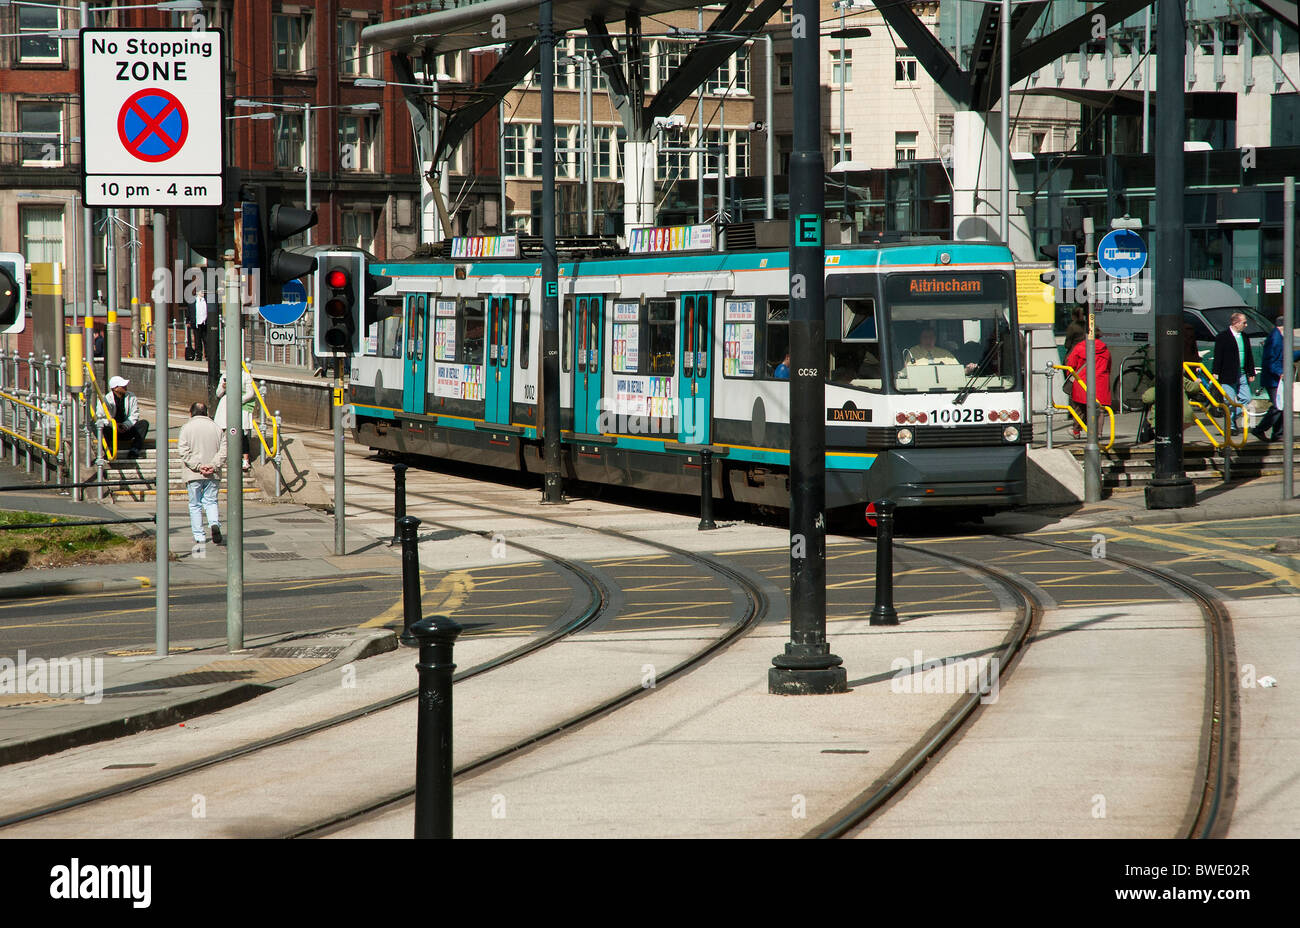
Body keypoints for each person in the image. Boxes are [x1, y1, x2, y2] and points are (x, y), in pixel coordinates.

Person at [177, 401, 227, 546]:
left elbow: (183, 451)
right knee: (211, 501)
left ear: (190, 413)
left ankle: (199, 536)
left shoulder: (186, 428)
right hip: (213, 474)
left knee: (195, 504)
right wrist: (213, 465)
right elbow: (223, 451)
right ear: (207, 413)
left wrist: (198, 467)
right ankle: (213, 523)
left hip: (193, 474)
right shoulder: (217, 428)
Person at [1253, 316, 1300, 442]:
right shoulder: (1275, 338)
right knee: (1279, 406)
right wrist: (1279, 372)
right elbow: (1271, 359)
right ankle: (1260, 429)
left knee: (1281, 405)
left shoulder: (1279, 337)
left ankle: (1278, 434)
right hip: (1273, 379)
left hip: (1276, 378)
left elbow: (1285, 356)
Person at [1210, 311, 1256, 433]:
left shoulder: (1245, 337)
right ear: (1235, 323)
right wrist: (1215, 372)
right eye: (1244, 322)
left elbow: (1248, 356)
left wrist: (1251, 372)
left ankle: (1232, 418)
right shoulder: (1223, 337)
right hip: (1227, 374)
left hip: (1241, 374)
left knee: (1246, 398)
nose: (1246, 325)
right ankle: (1230, 426)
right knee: (1229, 401)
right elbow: (1218, 355)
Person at [1063, 327, 1112, 439]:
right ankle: (1098, 434)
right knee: (1099, 409)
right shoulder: (1105, 349)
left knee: (1079, 407)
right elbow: (1108, 366)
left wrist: (1070, 376)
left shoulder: (1080, 347)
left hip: (1082, 381)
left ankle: (1076, 431)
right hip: (1100, 382)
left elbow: (1070, 365)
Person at [96, 376, 150, 457]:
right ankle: (108, 450)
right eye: (122, 386)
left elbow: (134, 415)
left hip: (126, 429)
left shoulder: (132, 397)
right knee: (99, 426)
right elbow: (100, 417)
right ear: (115, 388)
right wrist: (114, 425)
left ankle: (134, 450)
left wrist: (125, 425)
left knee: (144, 424)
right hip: (112, 431)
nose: (125, 387)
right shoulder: (106, 399)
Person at [215, 366, 256, 471]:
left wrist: (238, 400)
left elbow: (251, 393)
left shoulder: (246, 376)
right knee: (225, 431)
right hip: (226, 405)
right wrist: (223, 387)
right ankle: (226, 457)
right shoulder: (225, 375)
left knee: (241, 433)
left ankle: (245, 460)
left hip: (241, 406)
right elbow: (218, 393)